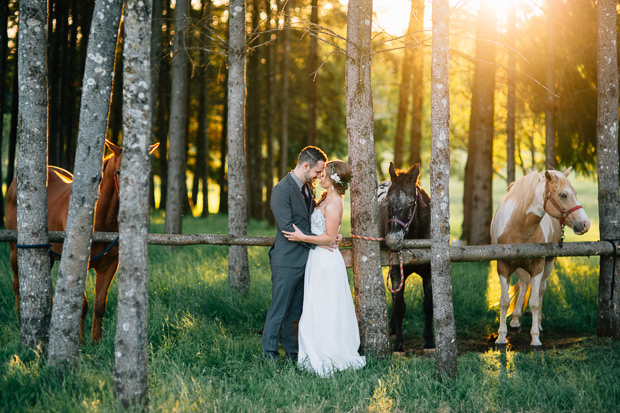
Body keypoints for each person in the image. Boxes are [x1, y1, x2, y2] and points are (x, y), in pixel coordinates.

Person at [282, 160, 366, 377]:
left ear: (333, 178)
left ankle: (327, 351)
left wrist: (303, 237)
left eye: (324, 174)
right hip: (317, 258)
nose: (320, 176)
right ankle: (315, 348)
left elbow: (329, 237)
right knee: (316, 305)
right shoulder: (325, 199)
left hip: (326, 262)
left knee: (325, 306)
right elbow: (330, 233)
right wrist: (331, 235)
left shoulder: (335, 202)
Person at [262, 146, 328, 362]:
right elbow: (287, 227)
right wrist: (319, 244)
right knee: (279, 309)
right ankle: (270, 355)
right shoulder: (281, 189)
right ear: (306, 165)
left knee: (295, 313)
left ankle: (293, 354)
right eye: (318, 172)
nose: (320, 176)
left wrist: (327, 236)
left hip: (305, 262)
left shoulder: (308, 188)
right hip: (287, 261)